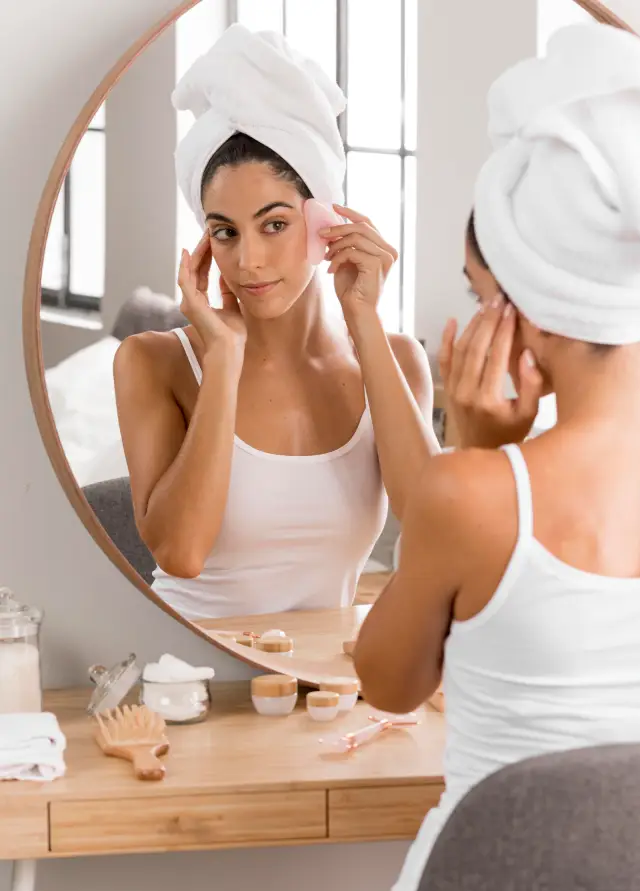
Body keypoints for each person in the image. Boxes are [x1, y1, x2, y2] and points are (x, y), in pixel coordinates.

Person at [354, 23, 640, 891]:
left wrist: (479, 456)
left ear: (515, 302)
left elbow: (386, 684)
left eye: (475, 289)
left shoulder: (472, 497)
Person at [113, 26, 438, 620]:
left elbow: (435, 531)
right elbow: (180, 553)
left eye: (275, 224)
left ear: (325, 220)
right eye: (225, 231)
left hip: (322, 693)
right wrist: (224, 362)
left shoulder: (397, 362)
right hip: (188, 674)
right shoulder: (152, 362)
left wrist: (362, 323)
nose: (248, 261)